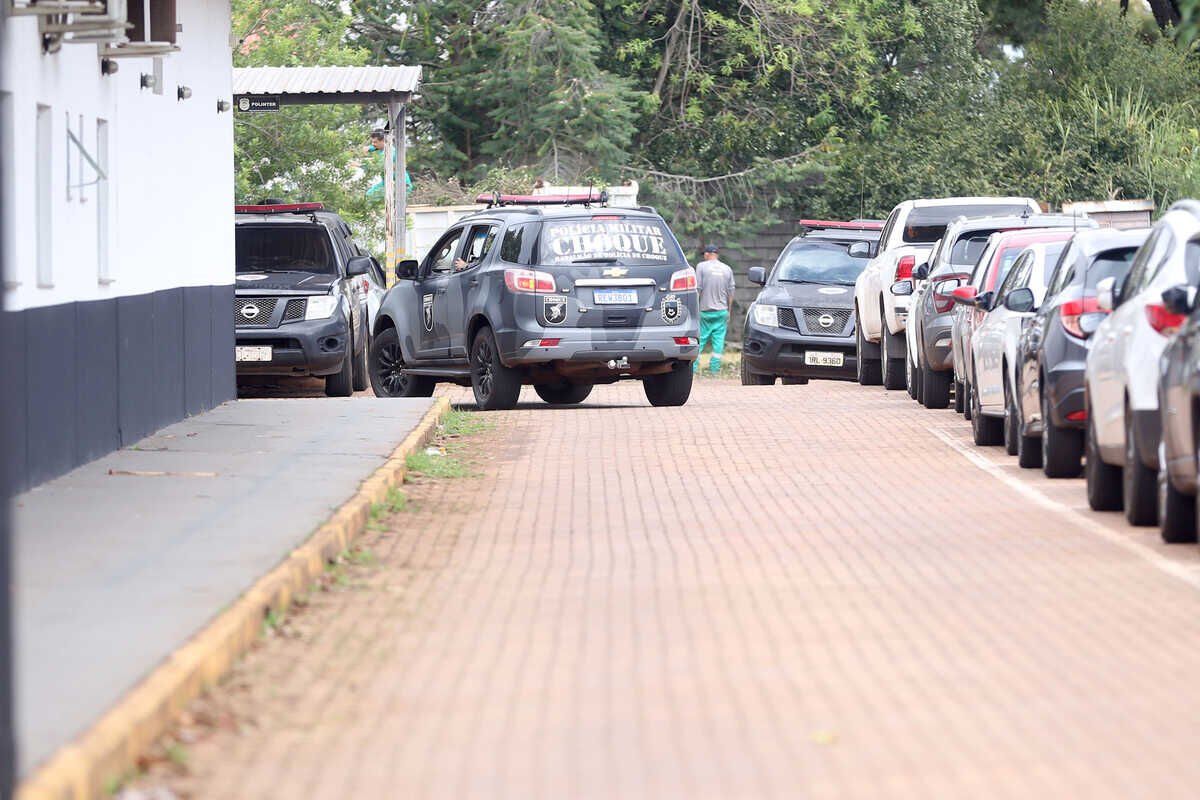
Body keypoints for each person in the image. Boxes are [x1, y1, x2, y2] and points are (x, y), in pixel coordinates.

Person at [695, 243, 736, 375]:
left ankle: (693, 369)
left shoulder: (701, 267)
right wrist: (728, 312)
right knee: (718, 342)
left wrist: (695, 308)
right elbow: (731, 293)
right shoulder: (727, 269)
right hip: (721, 312)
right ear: (717, 254)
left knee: (699, 340)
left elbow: (698, 289)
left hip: (705, 312)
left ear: (707, 254)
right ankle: (714, 370)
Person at [365, 129, 412, 201]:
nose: (373, 144)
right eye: (372, 142)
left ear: (384, 141)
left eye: (375, 142)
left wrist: (360, 165)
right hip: (388, 183)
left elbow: (376, 168)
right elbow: (374, 148)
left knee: (371, 196)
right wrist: (369, 148)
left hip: (400, 185)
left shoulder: (388, 153)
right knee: (369, 195)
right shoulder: (384, 147)